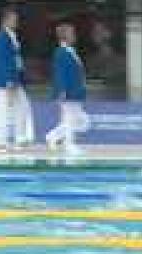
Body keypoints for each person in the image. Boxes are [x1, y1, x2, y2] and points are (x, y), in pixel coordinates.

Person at [0, 6, 34, 151]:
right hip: (4, 80)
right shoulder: (1, 36)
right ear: (6, 20)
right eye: (14, 19)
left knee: (22, 106)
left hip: (14, 78)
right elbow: (1, 59)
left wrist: (18, 76)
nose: (16, 22)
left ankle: (20, 137)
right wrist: (8, 80)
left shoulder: (11, 36)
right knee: (1, 110)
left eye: (16, 19)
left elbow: (15, 59)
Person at [46, 22, 90, 155]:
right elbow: (60, 73)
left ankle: (53, 136)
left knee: (82, 122)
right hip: (68, 92)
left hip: (76, 91)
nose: (74, 36)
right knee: (69, 120)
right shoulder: (61, 52)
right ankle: (69, 145)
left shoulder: (71, 51)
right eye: (72, 33)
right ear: (65, 36)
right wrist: (62, 90)